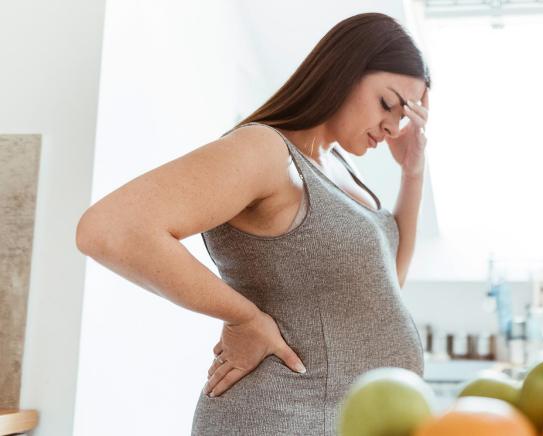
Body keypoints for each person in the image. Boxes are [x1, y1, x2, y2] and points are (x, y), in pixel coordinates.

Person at [75, 11, 430, 436]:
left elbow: (387, 282)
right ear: (343, 72)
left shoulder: (339, 167)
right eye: (387, 103)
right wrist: (243, 318)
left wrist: (413, 171)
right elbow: (110, 228)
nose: (393, 126)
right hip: (279, 419)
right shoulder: (265, 151)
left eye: (405, 115)